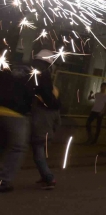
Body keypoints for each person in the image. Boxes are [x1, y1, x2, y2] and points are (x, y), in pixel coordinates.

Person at [28, 50, 62, 190]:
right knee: (39, 154)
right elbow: (58, 122)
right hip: (47, 133)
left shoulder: (40, 106)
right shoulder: (55, 107)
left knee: (38, 155)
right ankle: (44, 176)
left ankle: (49, 178)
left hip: (39, 132)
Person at [0, 59, 33, 193]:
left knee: (2, 145)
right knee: (17, 148)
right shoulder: (29, 78)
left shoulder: (4, 74)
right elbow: (30, 98)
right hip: (15, 114)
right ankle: (4, 181)